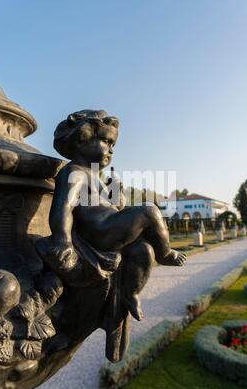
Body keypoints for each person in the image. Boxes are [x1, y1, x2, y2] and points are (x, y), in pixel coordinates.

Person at [40, 109, 186, 322]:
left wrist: (116, 192)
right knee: (149, 210)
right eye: (107, 142)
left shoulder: (95, 176)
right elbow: (63, 208)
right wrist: (63, 240)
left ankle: (131, 293)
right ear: (82, 141)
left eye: (112, 145)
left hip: (109, 228)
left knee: (143, 250)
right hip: (99, 233)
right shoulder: (75, 173)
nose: (111, 150)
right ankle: (165, 254)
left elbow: (113, 207)